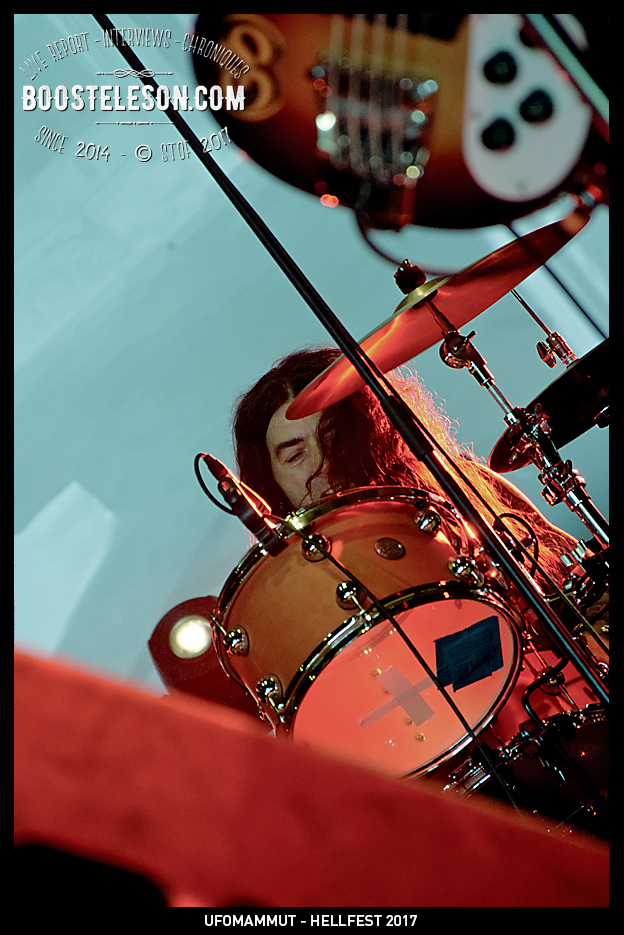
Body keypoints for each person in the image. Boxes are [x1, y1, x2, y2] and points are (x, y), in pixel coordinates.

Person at [232, 345, 577, 590]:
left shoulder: (458, 483)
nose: (324, 465)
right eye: (295, 455)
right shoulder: (288, 591)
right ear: (270, 481)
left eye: (334, 436)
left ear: (372, 432)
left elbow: (573, 569)